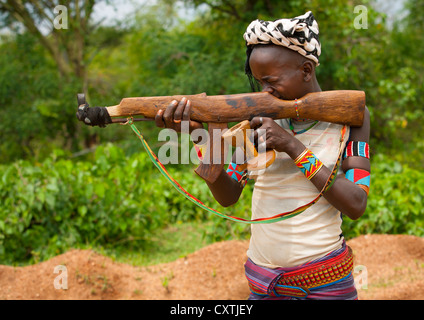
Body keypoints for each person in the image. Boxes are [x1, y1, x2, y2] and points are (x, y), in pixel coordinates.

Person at [154, 11, 370, 300]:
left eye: (271, 81)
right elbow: (228, 195)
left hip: (325, 286)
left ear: (306, 70)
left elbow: (356, 203)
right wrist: (200, 136)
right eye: (259, 82)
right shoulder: (259, 120)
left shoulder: (351, 118)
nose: (264, 92)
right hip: (263, 286)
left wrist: (292, 146)